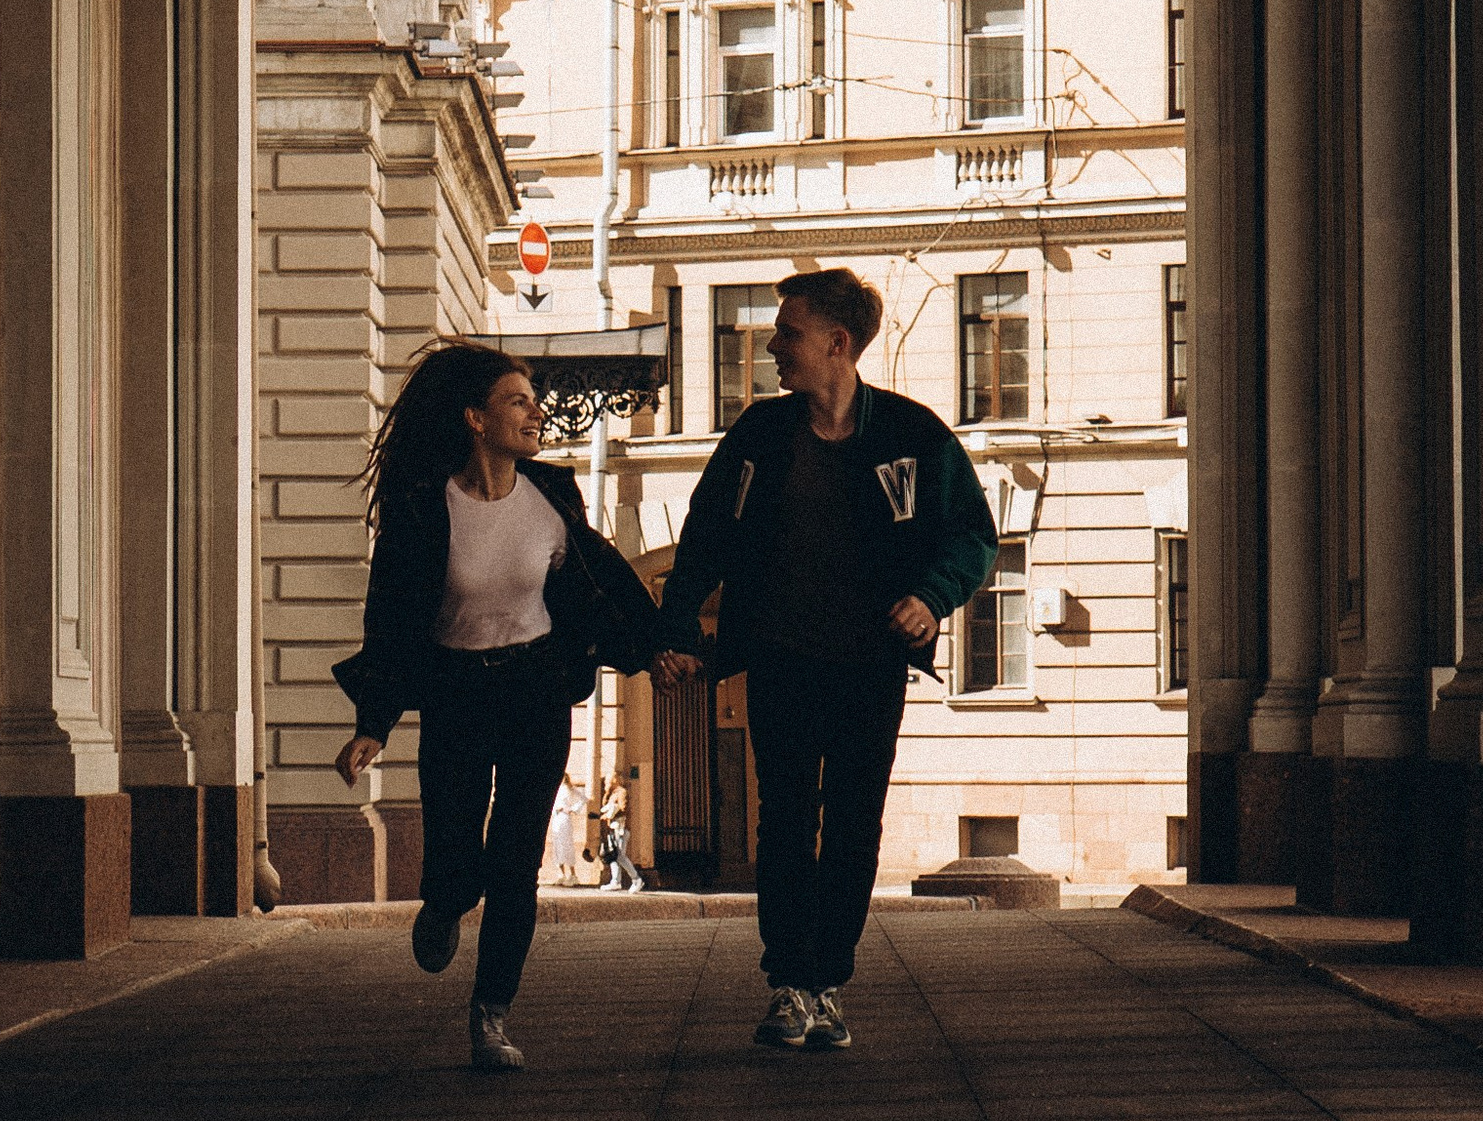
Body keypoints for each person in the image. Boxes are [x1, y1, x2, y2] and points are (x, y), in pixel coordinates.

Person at [656, 268, 996, 1051]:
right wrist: (675, 630)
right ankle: (787, 983)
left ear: (837, 343)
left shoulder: (912, 435)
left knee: (852, 823)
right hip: (780, 660)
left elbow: (972, 535)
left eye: (789, 332)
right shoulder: (759, 435)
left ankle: (827, 985)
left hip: (869, 667)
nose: (773, 346)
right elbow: (704, 539)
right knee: (782, 820)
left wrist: (931, 597)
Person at [333, 343, 659, 1069]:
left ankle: (492, 1013)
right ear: (476, 419)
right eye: (518, 401)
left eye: (534, 401)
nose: (535, 413)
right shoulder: (425, 506)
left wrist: (654, 649)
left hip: (535, 691)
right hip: (456, 694)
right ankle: (446, 900)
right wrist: (372, 724)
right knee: (456, 849)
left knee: (515, 861)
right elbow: (391, 618)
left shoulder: (552, 498)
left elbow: (600, 585)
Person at [595, 779, 643, 893]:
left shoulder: (622, 792)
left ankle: (636, 879)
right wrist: (606, 793)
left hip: (620, 828)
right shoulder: (612, 793)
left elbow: (623, 808)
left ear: (614, 780)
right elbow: (605, 805)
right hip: (613, 828)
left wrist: (609, 814)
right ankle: (615, 881)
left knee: (620, 856)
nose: (606, 783)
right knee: (613, 855)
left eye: (608, 781)